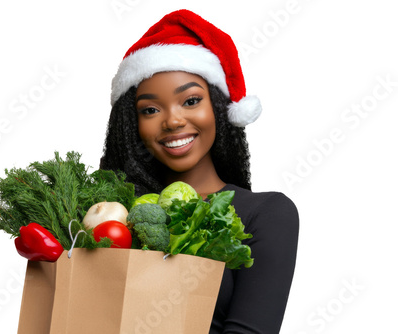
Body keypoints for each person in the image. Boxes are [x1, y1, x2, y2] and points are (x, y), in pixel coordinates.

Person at [100, 9, 299, 333]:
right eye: (150, 109)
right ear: (132, 124)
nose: (173, 121)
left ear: (219, 108)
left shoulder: (266, 214)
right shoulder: (113, 215)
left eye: (190, 101)